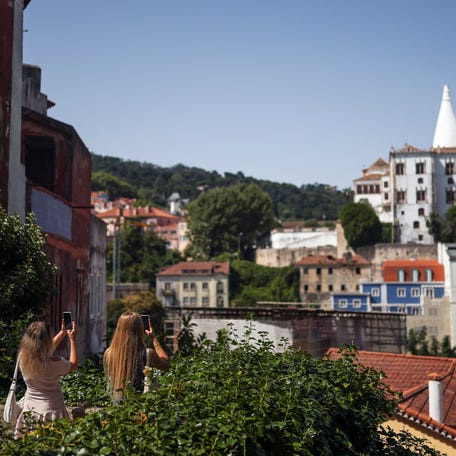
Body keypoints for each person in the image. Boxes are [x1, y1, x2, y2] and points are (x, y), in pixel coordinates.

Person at [15, 318, 78, 437]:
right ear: (48, 341)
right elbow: (73, 365)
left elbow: (40, 352)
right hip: (52, 409)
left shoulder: (23, 357)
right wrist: (72, 339)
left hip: (30, 408)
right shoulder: (55, 363)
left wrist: (62, 333)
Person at [103, 311, 170, 402]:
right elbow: (166, 365)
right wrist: (153, 338)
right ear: (139, 329)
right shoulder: (147, 354)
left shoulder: (109, 353)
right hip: (139, 405)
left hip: (117, 405)